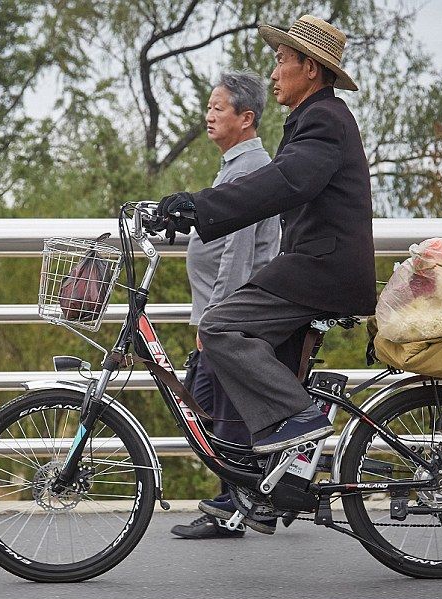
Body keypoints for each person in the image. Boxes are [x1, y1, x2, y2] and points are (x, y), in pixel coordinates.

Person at [154, 15, 377, 518]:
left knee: (219, 326)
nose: (274, 73)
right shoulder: (312, 120)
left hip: (322, 270)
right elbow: (281, 185)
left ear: (311, 69)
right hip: (313, 268)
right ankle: (272, 485)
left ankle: (300, 420)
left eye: (281, 60)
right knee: (257, 356)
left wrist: (200, 206)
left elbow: (283, 184)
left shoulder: (325, 120)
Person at [170, 71, 281, 540]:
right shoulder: (237, 164)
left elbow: (238, 254)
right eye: (209, 107)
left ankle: (238, 502)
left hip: (231, 315)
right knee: (210, 403)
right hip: (225, 313)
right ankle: (240, 497)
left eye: (218, 108)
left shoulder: (249, 168)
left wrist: (215, 320)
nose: (209, 115)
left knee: (220, 406)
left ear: (246, 118)